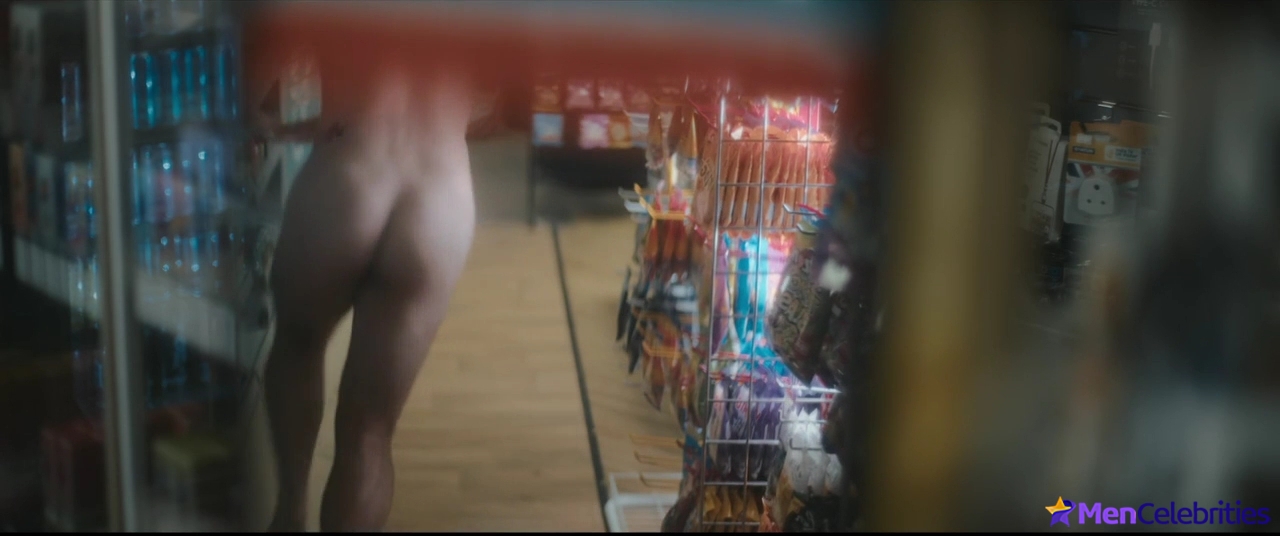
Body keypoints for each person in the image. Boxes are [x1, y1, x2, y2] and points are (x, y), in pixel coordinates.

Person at [245, 14, 476, 531]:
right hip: (441, 195)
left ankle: (291, 508)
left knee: (297, 346)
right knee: (370, 432)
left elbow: (258, 63)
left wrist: (268, 122)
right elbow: (513, 106)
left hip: (350, 168)